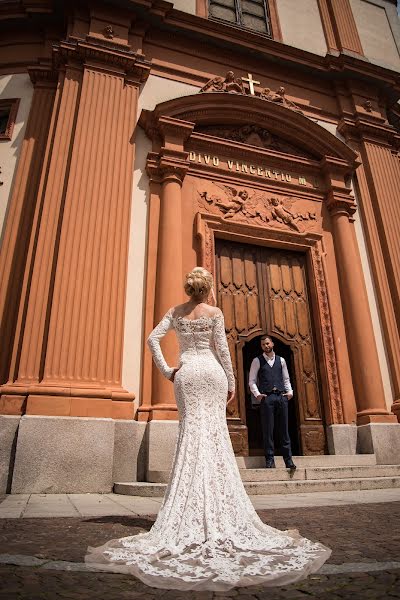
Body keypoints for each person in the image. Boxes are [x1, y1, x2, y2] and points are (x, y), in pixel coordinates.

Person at [85, 267, 331, 591]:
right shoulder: (215, 312)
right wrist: (231, 381)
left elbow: (152, 339)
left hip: (186, 373)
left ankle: (190, 509)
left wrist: (167, 371)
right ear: (209, 288)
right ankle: (219, 509)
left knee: (191, 436)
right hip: (212, 373)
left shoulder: (175, 312)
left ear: (189, 288)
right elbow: (223, 349)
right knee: (215, 441)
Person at [249, 335, 296, 470]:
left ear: (273, 344)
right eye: (263, 345)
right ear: (261, 347)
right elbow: (251, 380)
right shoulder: (257, 361)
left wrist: (290, 392)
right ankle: (269, 460)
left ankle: (288, 460)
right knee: (268, 430)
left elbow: (286, 378)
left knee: (284, 430)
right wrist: (257, 395)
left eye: (268, 344)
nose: (266, 346)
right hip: (267, 398)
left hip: (281, 397)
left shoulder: (281, 361)